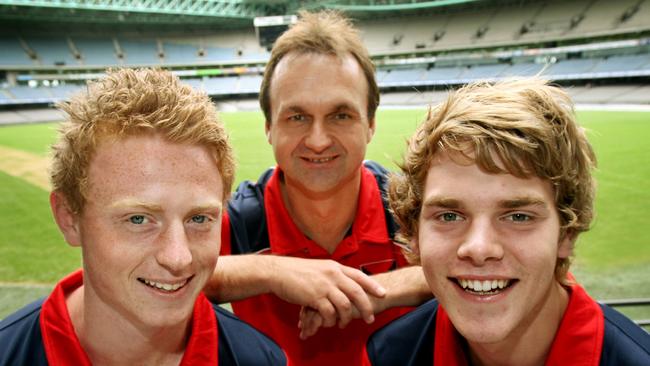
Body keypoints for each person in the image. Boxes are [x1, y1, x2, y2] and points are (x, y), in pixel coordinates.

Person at [0, 68, 286, 366]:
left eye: (198, 219)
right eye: (138, 219)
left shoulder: (262, 359)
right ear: (69, 218)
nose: (178, 258)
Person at [365, 78, 650, 365]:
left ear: (567, 233)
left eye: (518, 216)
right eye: (449, 216)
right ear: (414, 233)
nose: (479, 248)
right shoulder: (386, 356)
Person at [203, 10, 431, 366]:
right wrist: (273, 271)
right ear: (269, 127)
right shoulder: (240, 219)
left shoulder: (410, 208)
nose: (318, 140)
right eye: (297, 117)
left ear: (370, 124)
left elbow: (479, 270)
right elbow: (159, 277)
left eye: (340, 115)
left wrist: (375, 293)